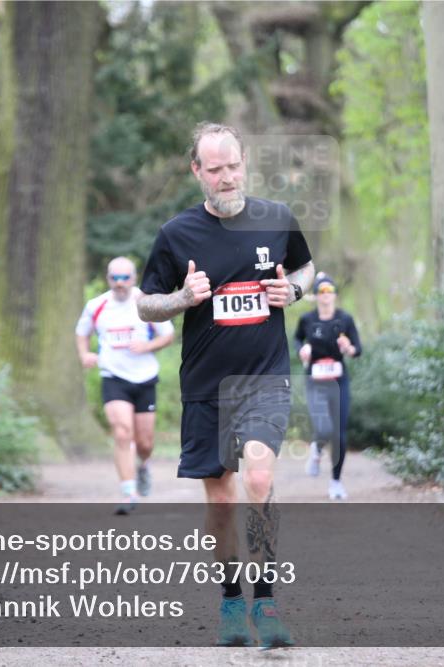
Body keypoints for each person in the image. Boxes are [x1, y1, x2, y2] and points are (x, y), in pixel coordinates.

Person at [137, 122, 315, 648]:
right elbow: (146, 302)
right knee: (220, 501)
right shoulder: (176, 235)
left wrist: (294, 290)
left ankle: (267, 601)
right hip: (205, 386)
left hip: (263, 378)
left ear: (244, 161)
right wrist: (182, 299)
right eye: (214, 169)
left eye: (233, 166)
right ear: (197, 172)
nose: (226, 177)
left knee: (258, 478)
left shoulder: (276, 219)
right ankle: (232, 600)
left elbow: (306, 268)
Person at [75, 257, 175, 515]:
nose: (120, 283)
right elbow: (81, 332)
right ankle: (128, 491)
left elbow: (168, 335)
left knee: (145, 442)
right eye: (114, 278)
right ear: (108, 278)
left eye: (125, 278)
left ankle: (143, 466)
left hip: (144, 378)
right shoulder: (96, 305)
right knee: (122, 432)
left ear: (134, 277)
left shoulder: (147, 302)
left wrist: (147, 346)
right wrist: (85, 354)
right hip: (114, 377)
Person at [294, 273, 362, 500]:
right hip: (315, 380)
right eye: (321, 291)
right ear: (315, 296)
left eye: (329, 291)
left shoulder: (345, 320)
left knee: (339, 435)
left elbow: (357, 350)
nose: (326, 296)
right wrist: (301, 349)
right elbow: (297, 339)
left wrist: (348, 347)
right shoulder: (307, 320)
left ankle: (335, 482)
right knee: (323, 428)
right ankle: (316, 449)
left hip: (338, 380)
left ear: (334, 295)